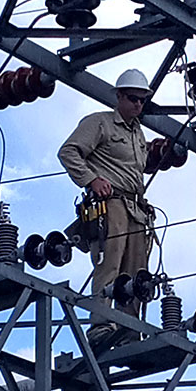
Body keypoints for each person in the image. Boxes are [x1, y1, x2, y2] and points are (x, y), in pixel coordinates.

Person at [58, 69, 154, 351]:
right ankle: (101, 325)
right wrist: (91, 180)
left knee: (137, 272)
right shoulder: (99, 123)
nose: (138, 105)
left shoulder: (138, 133)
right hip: (111, 203)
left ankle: (128, 328)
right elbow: (68, 152)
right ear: (120, 96)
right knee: (109, 263)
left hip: (136, 207)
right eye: (134, 99)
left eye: (142, 100)